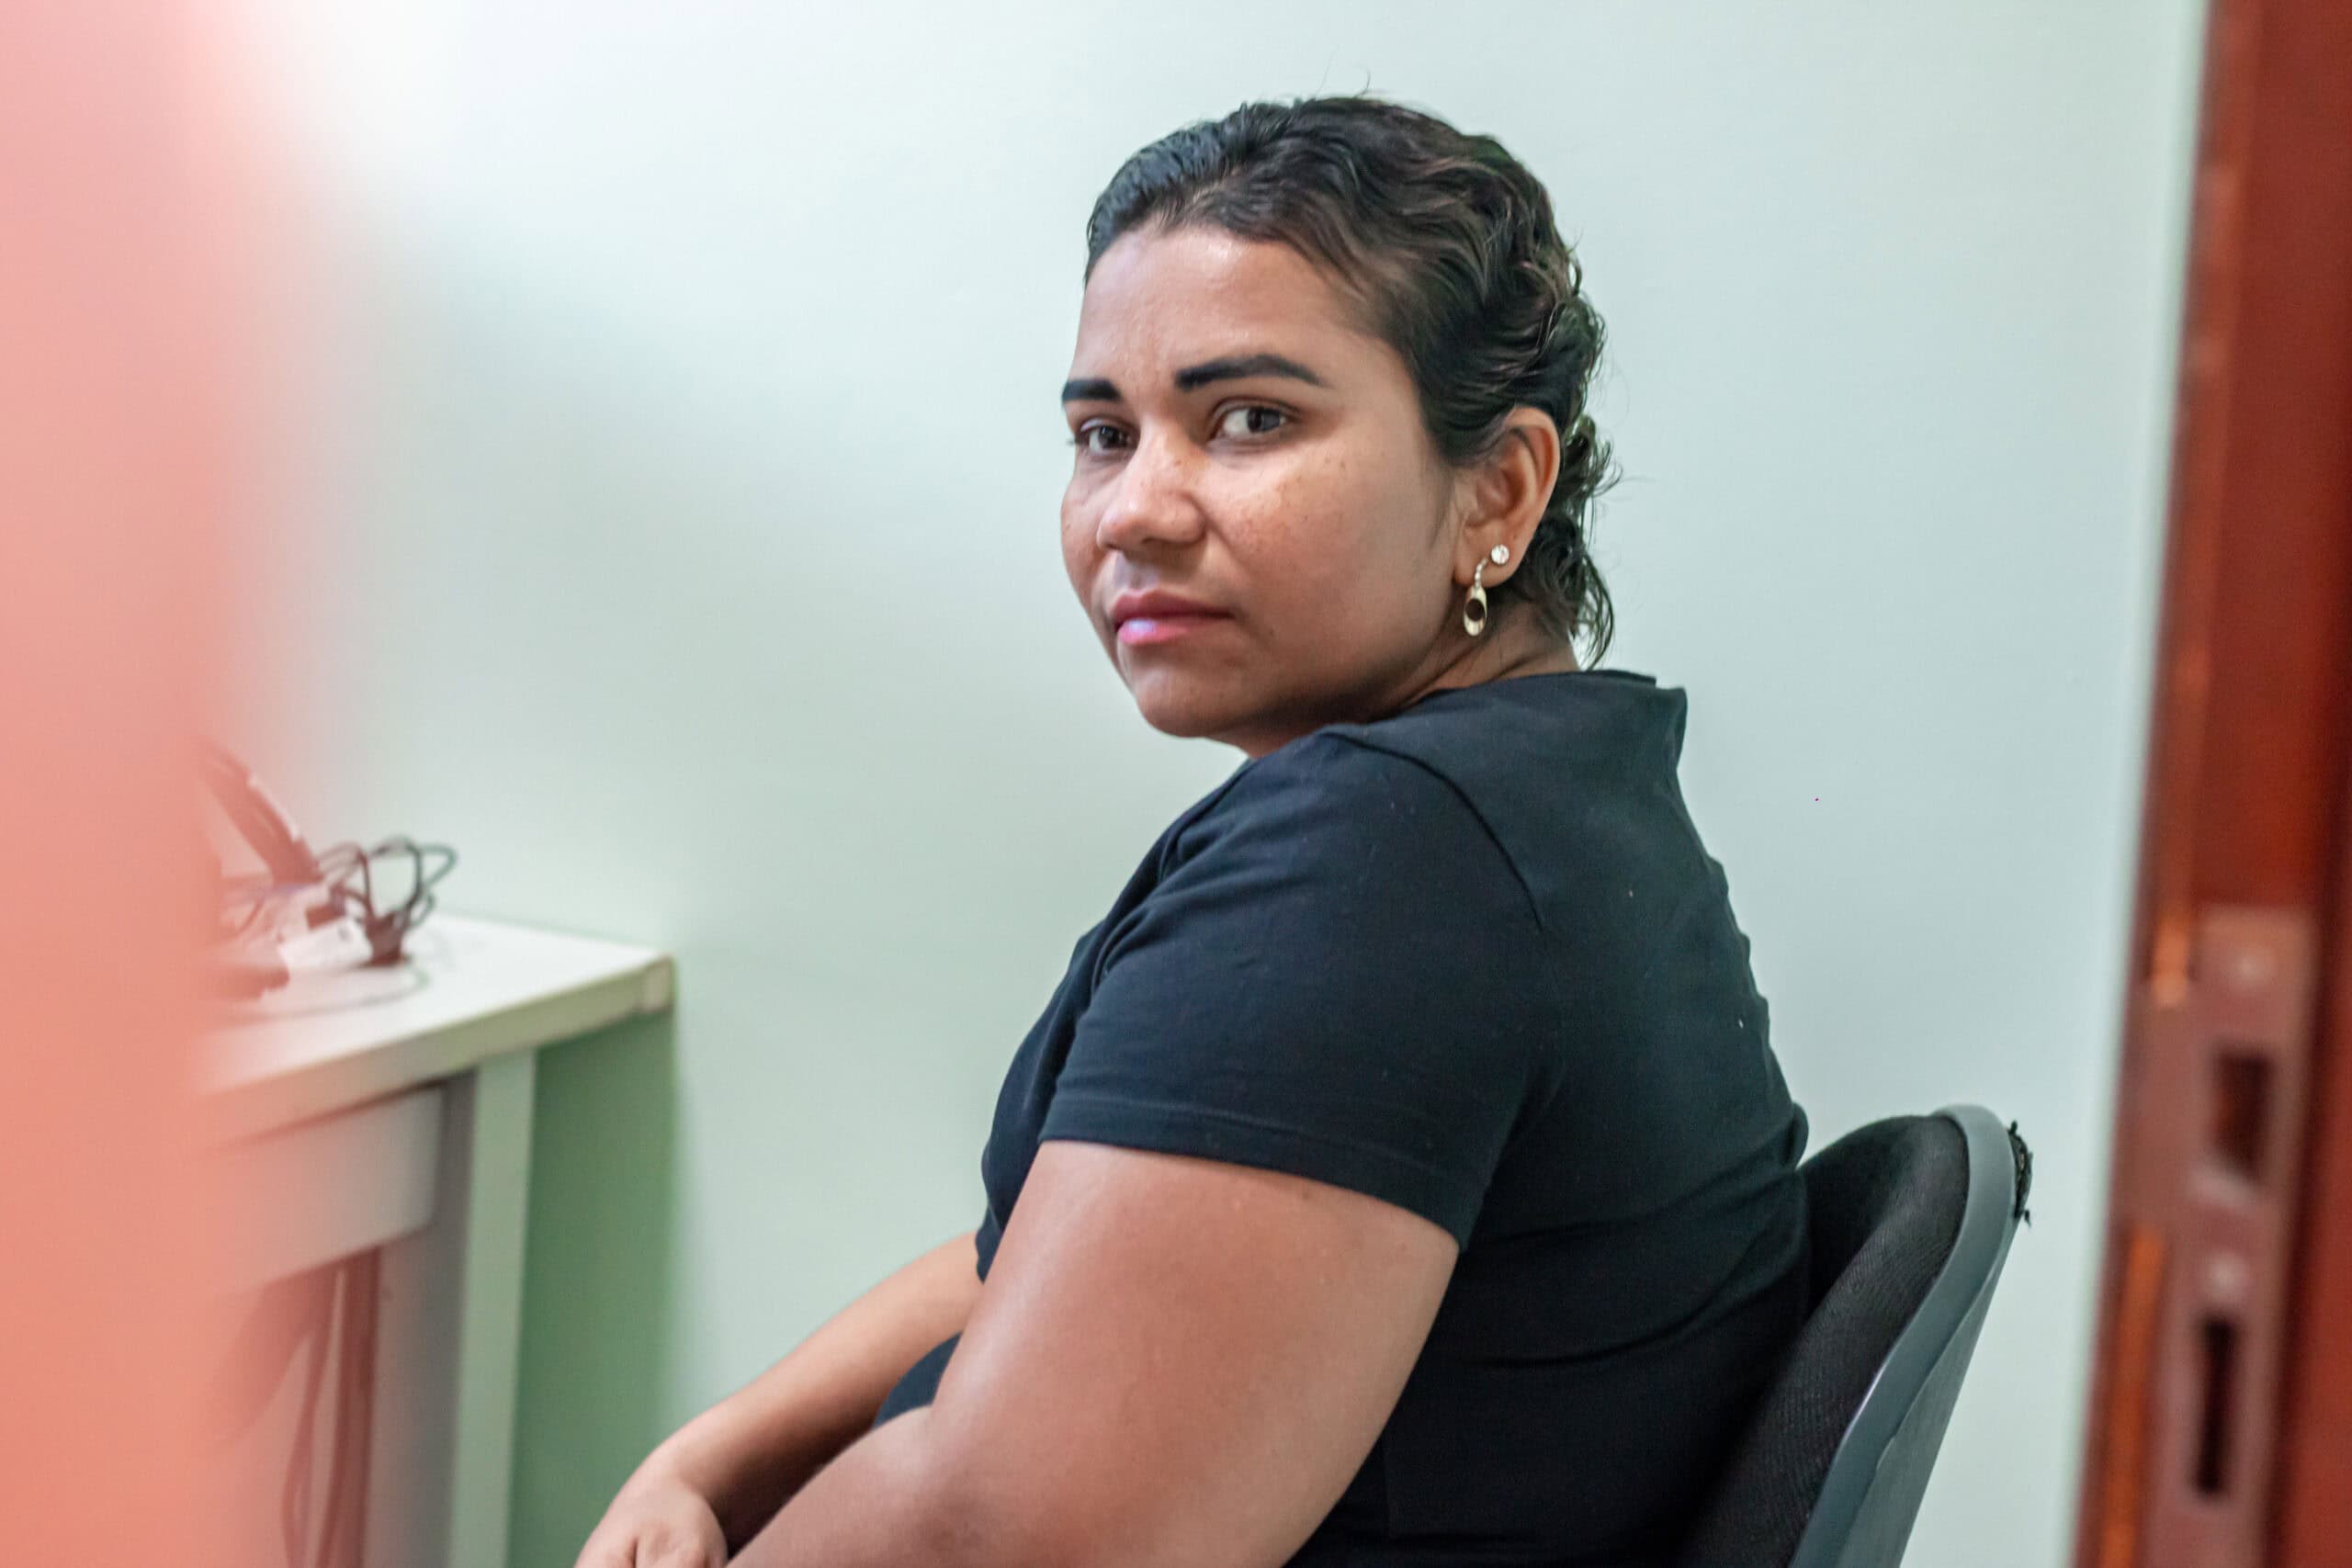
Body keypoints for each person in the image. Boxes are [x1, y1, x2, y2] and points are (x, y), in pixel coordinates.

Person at [578, 95, 1809, 1568]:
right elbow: (1049, 1255)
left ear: (1500, 487)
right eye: (1103, 435)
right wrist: (704, 1463)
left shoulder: (1386, 864)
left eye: (1251, 420)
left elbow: (997, 1537)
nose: (1135, 513)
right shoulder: (1548, 802)